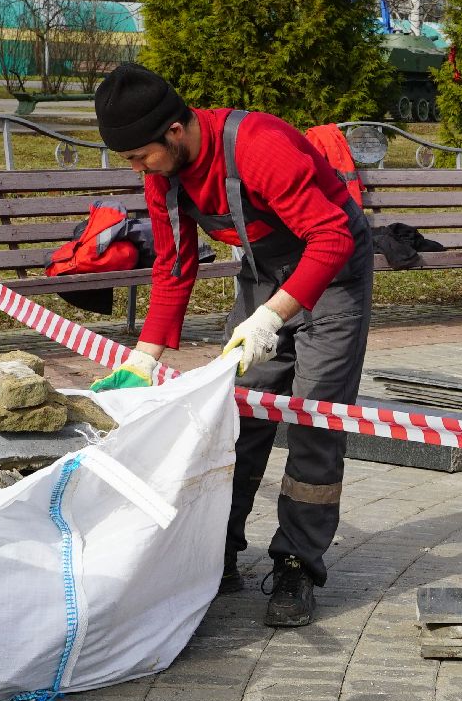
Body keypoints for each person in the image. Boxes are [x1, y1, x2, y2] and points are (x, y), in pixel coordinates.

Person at [89, 63, 373, 628]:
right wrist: (146, 355)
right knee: (236, 415)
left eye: (139, 155)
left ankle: (297, 562)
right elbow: (173, 263)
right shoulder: (164, 173)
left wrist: (272, 317)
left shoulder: (261, 147)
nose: (137, 168)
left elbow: (332, 236)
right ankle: (215, 551)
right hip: (264, 274)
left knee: (314, 423)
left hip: (333, 275)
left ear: (174, 131)